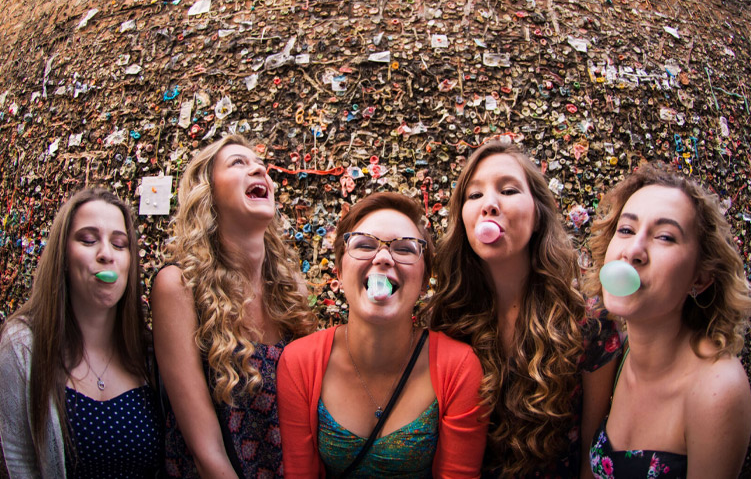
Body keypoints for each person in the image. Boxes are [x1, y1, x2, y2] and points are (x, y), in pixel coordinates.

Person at [426, 140, 622, 478]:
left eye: (508, 190)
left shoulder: (590, 323)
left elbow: (594, 456)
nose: (489, 204)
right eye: (474, 196)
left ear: (537, 214)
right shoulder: (445, 320)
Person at [277, 192, 488, 478]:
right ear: (338, 272)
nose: (383, 257)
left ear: (425, 280)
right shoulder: (299, 363)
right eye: (364, 245)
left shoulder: (459, 367)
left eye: (404, 249)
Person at [152, 134, 317, 478]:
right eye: (238, 163)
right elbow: (206, 450)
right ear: (208, 193)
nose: (258, 168)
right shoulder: (179, 287)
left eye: (261, 165)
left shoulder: (291, 290)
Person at [585, 164, 751, 478]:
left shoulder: (716, 390)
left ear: (701, 276)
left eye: (665, 237)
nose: (633, 251)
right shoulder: (619, 355)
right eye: (626, 230)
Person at [0, 188, 162, 478]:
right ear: (62, 256)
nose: (106, 254)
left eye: (120, 243)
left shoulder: (150, 353)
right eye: (88, 240)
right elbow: (18, 465)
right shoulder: (23, 348)